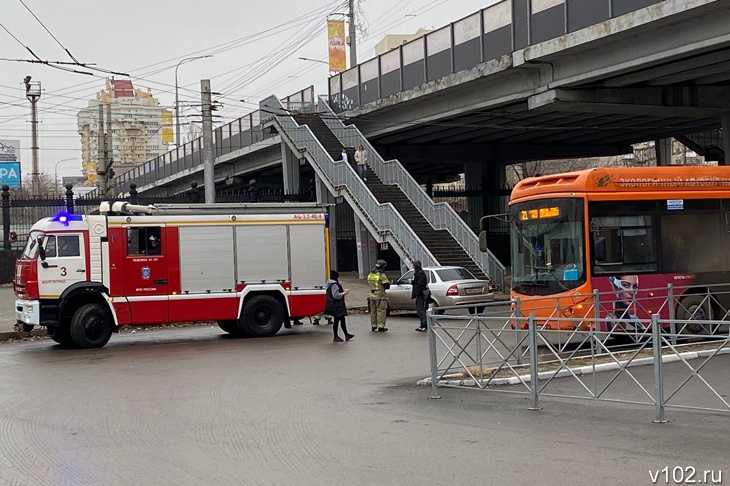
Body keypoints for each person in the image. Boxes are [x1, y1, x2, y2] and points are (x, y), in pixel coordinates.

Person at [325, 270, 353, 342]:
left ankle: (346, 335)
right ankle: (337, 336)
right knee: (338, 321)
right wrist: (344, 293)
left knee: (340, 320)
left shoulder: (328, 284)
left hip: (334, 305)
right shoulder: (334, 285)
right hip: (337, 306)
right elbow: (336, 295)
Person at [367, 259, 391, 332]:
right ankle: (381, 327)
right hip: (380, 295)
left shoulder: (371, 274)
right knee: (381, 310)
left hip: (372, 294)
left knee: (373, 311)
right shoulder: (381, 275)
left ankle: (373, 326)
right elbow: (386, 285)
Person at [411, 260, 430, 332]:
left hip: (421, 294)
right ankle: (422, 324)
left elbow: (421, 284)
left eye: (413, 265)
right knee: (420, 310)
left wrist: (417, 291)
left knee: (421, 310)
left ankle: (424, 325)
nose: (413, 267)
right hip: (419, 294)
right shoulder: (417, 273)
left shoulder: (420, 273)